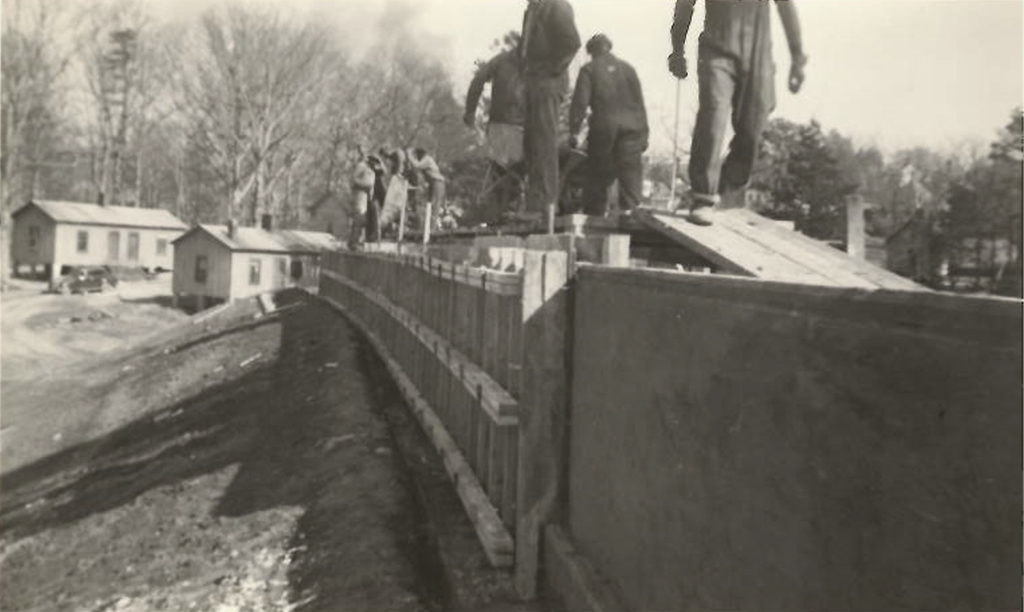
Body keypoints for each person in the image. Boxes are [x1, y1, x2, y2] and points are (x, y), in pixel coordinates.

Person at [669, 0, 807, 225]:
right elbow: (684, 5)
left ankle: (728, 188)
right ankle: (702, 196)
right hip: (717, 50)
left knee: (753, 126)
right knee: (713, 116)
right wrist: (677, 50)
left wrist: (797, 58)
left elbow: (786, 6)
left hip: (757, 53)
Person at [568, 33, 649, 216]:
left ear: (591, 52)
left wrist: (574, 131)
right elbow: (640, 104)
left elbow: (580, 103)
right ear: (609, 47)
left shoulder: (589, 69)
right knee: (630, 177)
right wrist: (644, 134)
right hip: (633, 128)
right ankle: (631, 215)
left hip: (604, 128)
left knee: (597, 177)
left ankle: (594, 220)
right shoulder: (629, 69)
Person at [519, 0, 580, 222]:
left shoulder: (557, 6)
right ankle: (535, 203)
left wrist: (550, 71)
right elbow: (525, 48)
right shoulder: (533, 9)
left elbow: (571, 43)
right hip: (533, 80)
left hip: (547, 81)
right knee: (532, 144)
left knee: (543, 143)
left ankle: (545, 204)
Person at [464, 32, 527, 222]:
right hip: (517, 126)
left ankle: (500, 215)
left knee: (501, 173)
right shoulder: (533, 65)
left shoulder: (501, 60)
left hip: (502, 125)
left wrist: (470, 112)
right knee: (513, 174)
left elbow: (478, 80)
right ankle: (503, 214)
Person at [407, 147, 447, 231]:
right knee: (429, 205)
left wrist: (410, 155)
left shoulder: (427, 159)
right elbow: (414, 168)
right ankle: (428, 227)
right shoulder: (425, 160)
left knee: (435, 205)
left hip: (438, 182)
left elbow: (417, 166)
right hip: (432, 184)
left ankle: (432, 229)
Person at [349, 148, 376, 249]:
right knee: (358, 218)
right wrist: (365, 185)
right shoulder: (362, 166)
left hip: (367, 197)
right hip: (359, 194)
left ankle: (359, 240)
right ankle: (353, 242)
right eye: (373, 161)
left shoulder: (372, 172)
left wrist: (370, 194)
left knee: (364, 219)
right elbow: (354, 179)